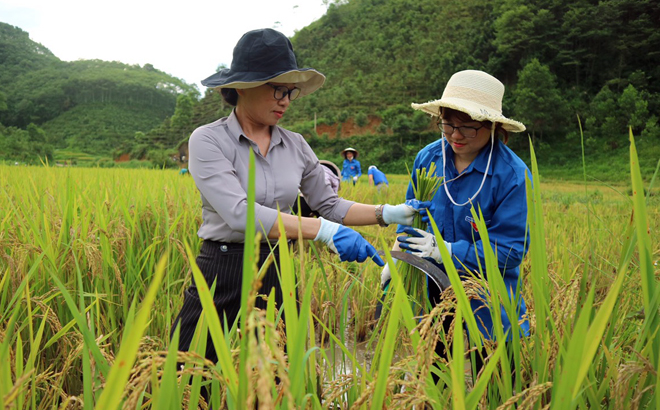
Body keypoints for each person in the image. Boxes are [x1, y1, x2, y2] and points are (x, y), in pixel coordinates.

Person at [171, 28, 429, 369]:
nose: (286, 101)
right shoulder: (208, 140)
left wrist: (388, 212)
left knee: (280, 379)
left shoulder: (295, 144)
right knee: (184, 374)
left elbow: (330, 205)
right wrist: (323, 231)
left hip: (279, 267)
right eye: (278, 89)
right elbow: (239, 214)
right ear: (243, 86)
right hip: (223, 268)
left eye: (291, 92)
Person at [382, 69, 530, 381]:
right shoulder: (429, 159)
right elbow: (411, 216)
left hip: (488, 300)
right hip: (434, 297)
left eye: (468, 127)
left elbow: (510, 250)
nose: (455, 136)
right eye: (447, 124)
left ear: (492, 126)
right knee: (430, 382)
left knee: (497, 385)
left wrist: (447, 250)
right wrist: (397, 255)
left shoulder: (512, 176)